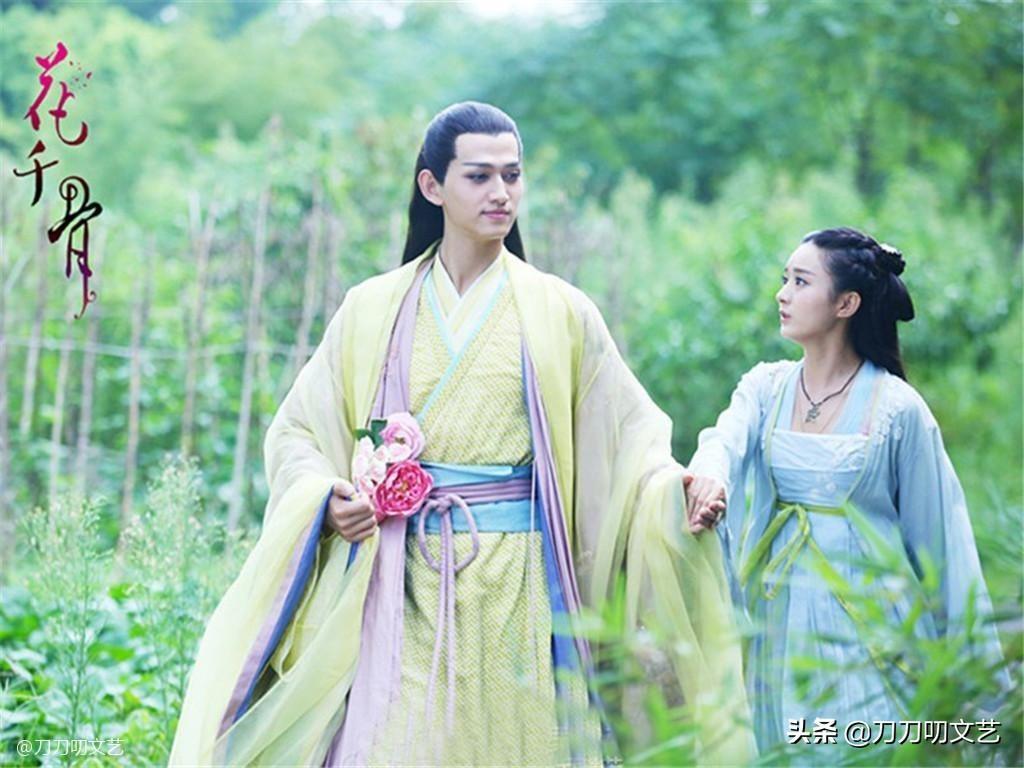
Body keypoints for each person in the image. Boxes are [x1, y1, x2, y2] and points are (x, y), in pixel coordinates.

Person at [169, 101, 752, 766]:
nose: (501, 192)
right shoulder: (373, 308)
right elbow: (299, 431)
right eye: (479, 176)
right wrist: (326, 498)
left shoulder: (562, 311)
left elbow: (630, 442)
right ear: (432, 186)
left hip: (522, 585)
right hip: (401, 579)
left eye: (513, 175)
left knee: (519, 744)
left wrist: (674, 489)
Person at [685, 227, 1006, 755]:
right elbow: (723, 440)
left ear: (846, 303)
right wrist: (710, 477)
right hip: (780, 623)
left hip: (870, 633)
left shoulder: (896, 409)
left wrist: (978, 685)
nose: (782, 295)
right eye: (785, 279)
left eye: (801, 281)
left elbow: (943, 545)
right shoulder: (766, 388)